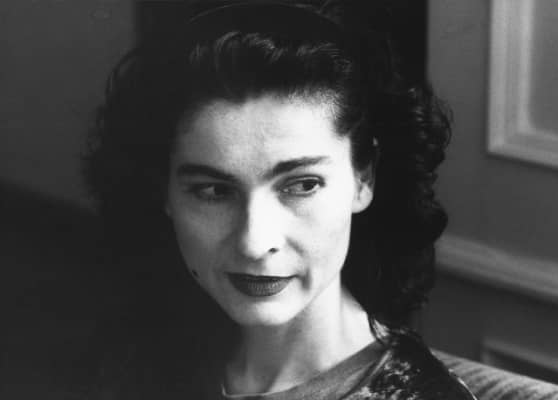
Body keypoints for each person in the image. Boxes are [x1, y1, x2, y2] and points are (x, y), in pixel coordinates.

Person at [84, 1, 476, 398]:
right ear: (164, 189)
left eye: (302, 185)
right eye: (214, 191)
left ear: (363, 177)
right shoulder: (137, 359)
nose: (254, 243)